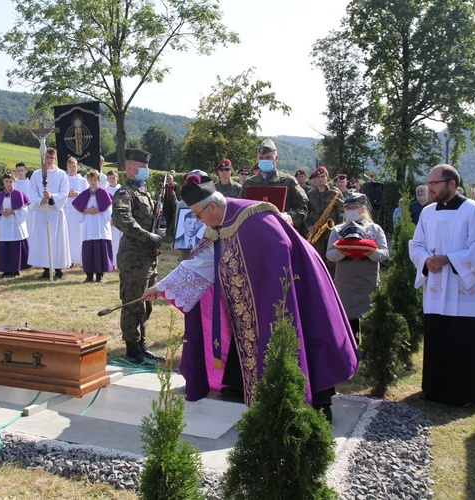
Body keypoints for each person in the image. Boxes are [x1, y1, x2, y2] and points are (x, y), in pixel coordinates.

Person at [141, 174, 358, 421]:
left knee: (302, 336)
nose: (197, 220)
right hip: (251, 300)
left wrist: (258, 288)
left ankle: (317, 403)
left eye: (198, 214)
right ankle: (242, 388)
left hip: (293, 288)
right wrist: (161, 287)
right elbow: (202, 263)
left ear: (212, 206)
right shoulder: (218, 226)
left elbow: (279, 258)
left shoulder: (254, 219)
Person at [409, 164, 475, 406]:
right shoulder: (427, 213)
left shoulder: (474, 211)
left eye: (434, 183)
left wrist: (449, 259)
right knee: (438, 336)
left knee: (463, 338)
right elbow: (416, 244)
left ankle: (467, 392)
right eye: (428, 183)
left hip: (462, 288)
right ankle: (435, 389)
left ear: (452, 184)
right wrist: (427, 260)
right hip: (437, 287)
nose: (429, 188)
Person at [112, 148, 165, 364]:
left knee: (147, 303)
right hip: (133, 258)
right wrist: (147, 236)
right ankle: (132, 349)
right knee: (133, 303)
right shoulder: (125, 193)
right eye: (143, 167)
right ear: (130, 168)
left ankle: (142, 346)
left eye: (147, 167)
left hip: (148, 258)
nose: (147, 170)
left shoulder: (144, 193)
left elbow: (153, 220)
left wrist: (159, 231)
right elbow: (122, 219)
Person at [327, 191, 389, 343]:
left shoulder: (375, 229)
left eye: (355, 207)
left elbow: (385, 252)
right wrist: (344, 251)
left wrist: (371, 252)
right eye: (348, 208)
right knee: (347, 313)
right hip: (346, 276)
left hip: (367, 276)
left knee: (368, 312)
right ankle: (350, 346)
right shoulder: (338, 229)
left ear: (363, 208)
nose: (352, 210)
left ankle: (369, 346)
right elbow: (329, 254)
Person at [239, 138, 309, 229]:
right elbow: (239, 209)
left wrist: (289, 216)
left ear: (276, 158)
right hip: (255, 232)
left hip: (281, 231)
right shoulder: (249, 183)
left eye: (268, 157)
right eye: (261, 158)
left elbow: (303, 208)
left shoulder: (288, 182)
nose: (264, 160)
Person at [27, 147, 71, 280]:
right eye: (46, 157)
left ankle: (58, 270)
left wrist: (52, 197)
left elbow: (64, 192)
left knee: (57, 241)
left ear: (55, 158)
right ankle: (46, 269)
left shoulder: (61, 174)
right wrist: (41, 200)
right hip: (42, 212)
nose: (49, 160)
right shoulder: (36, 174)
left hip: (55, 212)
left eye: (51, 157)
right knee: (43, 241)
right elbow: (32, 191)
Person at [73, 169, 113, 283]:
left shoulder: (104, 193)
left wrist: (99, 209)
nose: (93, 182)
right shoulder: (84, 194)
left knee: (100, 250)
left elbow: (108, 212)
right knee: (88, 251)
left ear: (99, 180)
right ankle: (89, 275)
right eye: (91, 180)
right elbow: (79, 213)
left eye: (95, 180)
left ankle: (99, 275)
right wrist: (85, 210)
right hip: (88, 227)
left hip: (100, 226)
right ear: (88, 180)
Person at [305, 166, 344, 272]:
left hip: (332, 232)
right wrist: (309, 226)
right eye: (318, 177)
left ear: (328, 177)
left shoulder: (335, 193)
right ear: (315, 179)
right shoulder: (310, 194)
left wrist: (341, 230)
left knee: (332, 262)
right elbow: (306, 213)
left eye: (323, 176)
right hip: (317, 233)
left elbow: (341, 213)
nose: (320, 179)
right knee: (318, 261)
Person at [0, 171, 30, 277]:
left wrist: (13, 211)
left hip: (15, 223)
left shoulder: (19, 194)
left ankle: (16, 268)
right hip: (4, 223)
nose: (8, 184)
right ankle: (6, 269)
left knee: (15, 246)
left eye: (10, 182)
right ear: (3, 182)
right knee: (5, 246)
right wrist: (0, 212)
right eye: (6, 181)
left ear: (14, 182)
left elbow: (24, 210)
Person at [65, 156, 88, 267]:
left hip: (78, 212)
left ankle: (81, 258)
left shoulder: (82, 180)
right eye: (70, 166)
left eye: (74, 166)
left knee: (79, 235)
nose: (72, 168)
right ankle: (69, 260)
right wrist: (67, 195)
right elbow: (59, 193)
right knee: (68, 235)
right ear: (67, 167)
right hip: (67, 211)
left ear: (77, 166)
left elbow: (87, 195)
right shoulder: (64, 179)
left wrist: (77, 193)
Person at [106, 170, 122, 268]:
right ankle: (111, 262)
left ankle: (119, 262)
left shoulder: (121, 189)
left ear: (117, 178)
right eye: (110, 178)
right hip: (109, 219)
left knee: (119, 240)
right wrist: (109, 218)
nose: (112, 180)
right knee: (111, 241)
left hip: (119, 218)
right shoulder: (105, 190)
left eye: (113, 178)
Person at [161, 173, 179, 239]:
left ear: (173, 179)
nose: (169, 180)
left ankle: (174, 233)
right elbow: (162, 196)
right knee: (168, 219)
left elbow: (178, 194)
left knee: (174, 218)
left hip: (174, 204)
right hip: (167, 205)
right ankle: (168, 233)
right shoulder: (164, 187)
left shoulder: (176, 186)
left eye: (170, 179)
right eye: (167, 179)